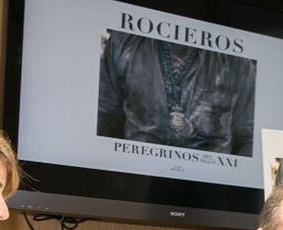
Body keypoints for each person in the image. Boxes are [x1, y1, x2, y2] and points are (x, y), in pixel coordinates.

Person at [97, 31, 256, 156]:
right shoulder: (123, 42)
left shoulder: (237, 59)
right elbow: (106, 115)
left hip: (210, 189)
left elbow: (249, 138)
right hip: (136, 185)